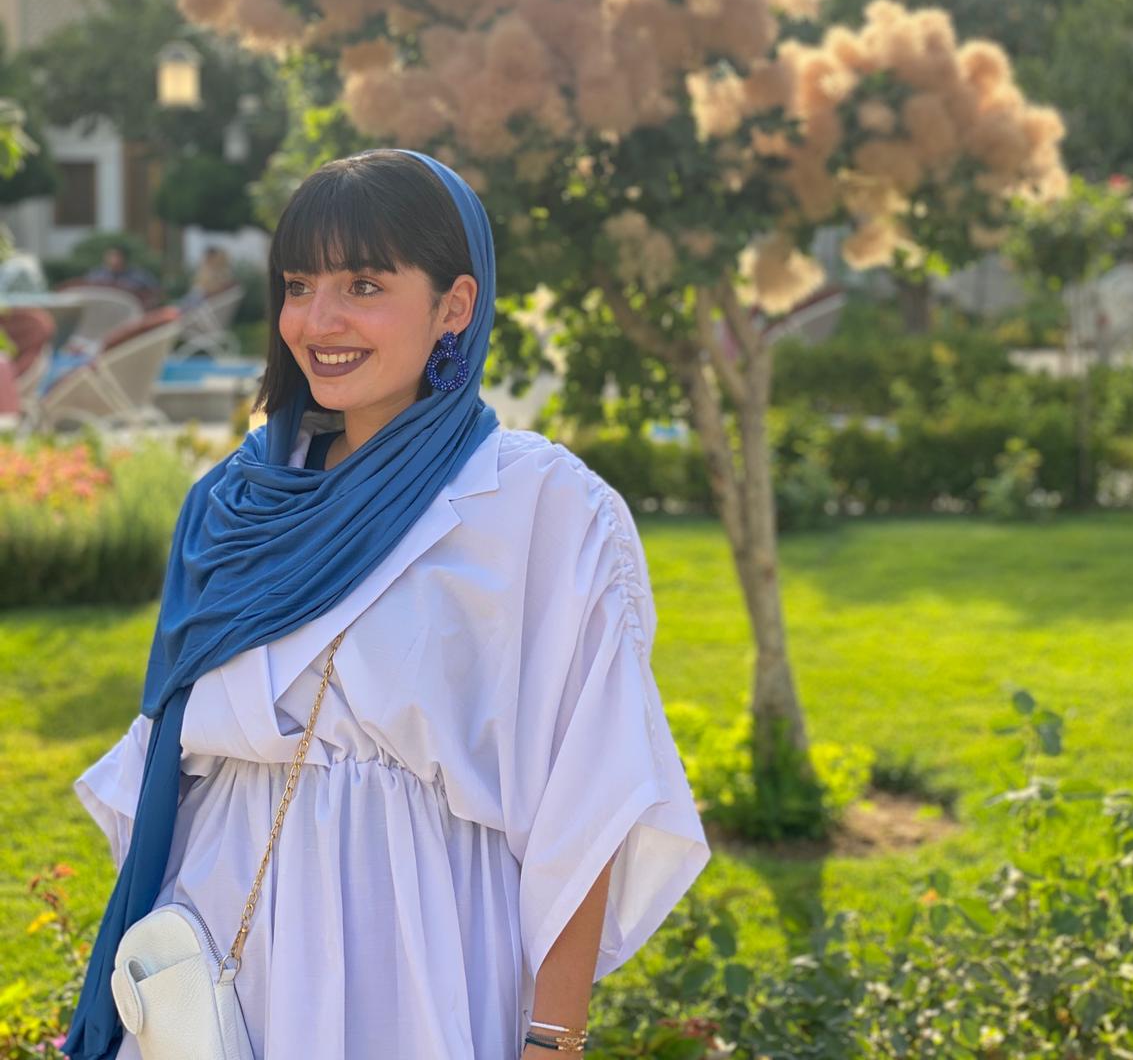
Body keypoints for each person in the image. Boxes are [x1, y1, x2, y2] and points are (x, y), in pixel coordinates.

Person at [67, 150, 710, 1060]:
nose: (318, 321)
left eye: (363, 283)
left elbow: (591, 792)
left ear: (456, 305)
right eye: (299, 284)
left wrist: (554, 1040)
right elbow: (172, 769)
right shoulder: (233, 504)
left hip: (421, 949)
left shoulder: (541, 506)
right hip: (221, 949)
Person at [83, 243, 160, 307]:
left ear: (124, 257)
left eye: (117, 256)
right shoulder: (95, 275)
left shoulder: (139, 276)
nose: (114, 259)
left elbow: (155, 292)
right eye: (111, 255)